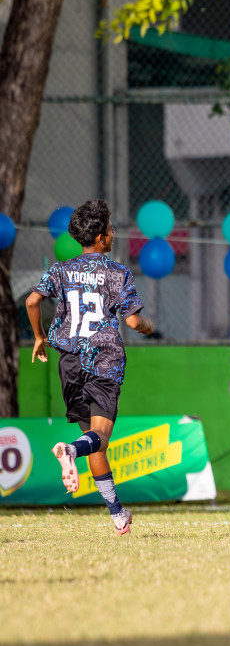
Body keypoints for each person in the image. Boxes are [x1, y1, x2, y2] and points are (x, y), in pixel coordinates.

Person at [26, 199, 156, 535]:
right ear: (100, 237)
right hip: (104, 358)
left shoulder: (59, 270)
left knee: (94, 438)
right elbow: (131, 318)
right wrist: (146, 325)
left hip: (69, 361)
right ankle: (70, 450)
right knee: (99, 437)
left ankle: (117, 514)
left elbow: (32, 300)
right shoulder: (117, 273)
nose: (113, 233)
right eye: (110, 229)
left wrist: (39, 336)